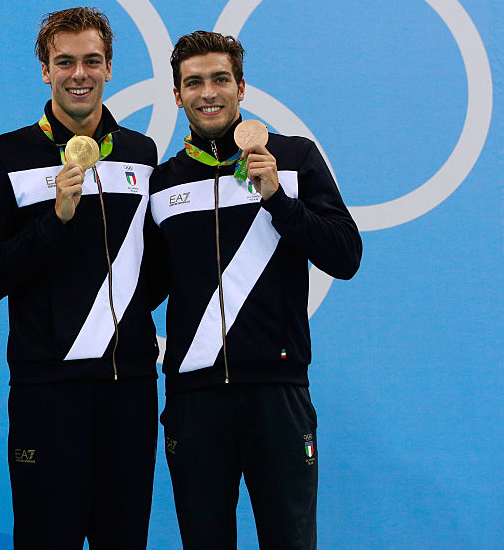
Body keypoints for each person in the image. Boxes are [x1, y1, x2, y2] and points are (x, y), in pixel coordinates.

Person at [149, 31, 362, 549]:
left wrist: (278, 199)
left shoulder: (292, 160)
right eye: (193, 83)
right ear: (177, 96)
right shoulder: (163, 183)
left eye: (220, 79)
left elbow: (345, 255)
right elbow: (140, 289)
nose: (208, 93)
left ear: (241, 87)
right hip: (194, 402)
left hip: (278, 392)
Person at [0, 7, 159, 549]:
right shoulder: (5, 156)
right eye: (66, 62)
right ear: (44, 70)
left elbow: (157, 268)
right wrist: (54, 222)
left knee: (124, 540)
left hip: (130, 385)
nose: (80, 74)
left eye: (92, 61)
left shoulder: (142, 156)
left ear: (109, 68)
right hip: (46, 388)